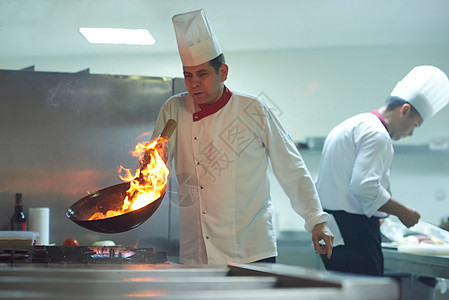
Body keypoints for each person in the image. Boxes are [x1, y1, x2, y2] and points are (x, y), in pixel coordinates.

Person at [150, 8, 333, 264]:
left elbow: (291, 166)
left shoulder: (253, 110)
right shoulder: (173, 109)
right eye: (188, 75)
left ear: (223, 72)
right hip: (196, 253)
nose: (193, 84)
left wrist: (316, 220)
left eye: (202, 74)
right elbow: (153, 171)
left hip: (250, 250)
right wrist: (150, 163)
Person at [315, 65, 449, 276]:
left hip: (333, 230)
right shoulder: (377, 134)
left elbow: (338, 186)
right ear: (404, 110)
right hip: (354, 234)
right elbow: (364, 187)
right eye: (415, 124)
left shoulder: (351, 124)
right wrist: (403, 212)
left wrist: (379, 211)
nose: (411, 133)